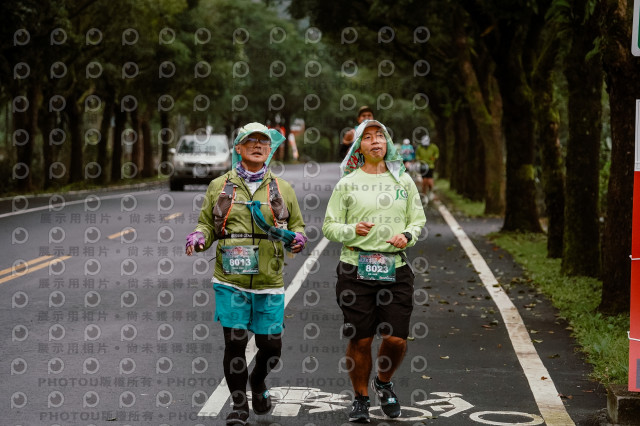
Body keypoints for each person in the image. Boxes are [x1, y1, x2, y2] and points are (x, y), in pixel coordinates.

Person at [186, 122, 307, 426]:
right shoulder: (220, 186)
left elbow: (297, 225)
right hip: (230, 280)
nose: (257, 145)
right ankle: (239, 406)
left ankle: (259, 380)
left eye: (263, 142)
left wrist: (298, 238)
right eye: (250, 141)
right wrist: (198, 237)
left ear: (269, 149)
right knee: (235, 343)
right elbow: (207, 225)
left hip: (269, 279)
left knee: (271, 347)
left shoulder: (282, 188)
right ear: (238, 148)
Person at [323, 120, 426, 423]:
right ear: (359, 147)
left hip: (395, 268)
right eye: (367, 137)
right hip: (355, 267)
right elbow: (329, 226)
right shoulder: (347, 183)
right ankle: (360, 398)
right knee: (362, 339)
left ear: (388, 143)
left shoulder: (403, 181)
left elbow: (417, 220)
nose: (375, 141)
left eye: (380, 136)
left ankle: (383, 382)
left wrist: (407, 235)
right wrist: (351, 229)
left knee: (396, 339)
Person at [414, 134, 439, 198]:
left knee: (430, 181)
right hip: (423, 166)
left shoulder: (433, 147)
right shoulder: (420, 147)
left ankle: (430, 191)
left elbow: (437, 154)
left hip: (430, 166)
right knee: (424, 181)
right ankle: (424, 194)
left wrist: (434, 158)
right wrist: (418, 158)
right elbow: (417, 155)